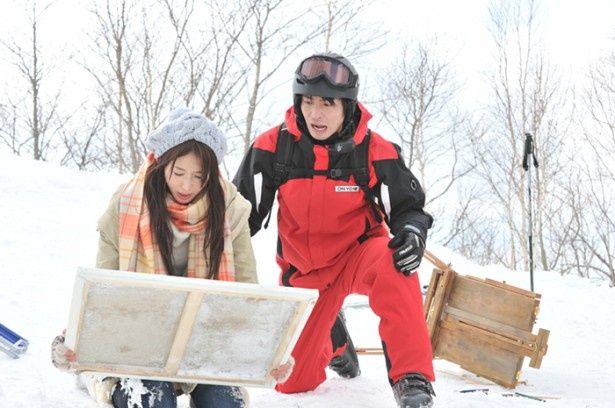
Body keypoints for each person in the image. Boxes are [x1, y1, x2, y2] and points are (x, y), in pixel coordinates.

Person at [51, 108, 293, 408]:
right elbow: (106, 294)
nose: (187, 186)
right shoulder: (124, 206)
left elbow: (246, 297)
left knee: (224, 403)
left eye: (199, 176)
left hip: (204, 344)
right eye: (178, 173)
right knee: (153, 400)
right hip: (138, 344)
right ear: (160, 163)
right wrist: (73, 339)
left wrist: (269, 352)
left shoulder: (232, 210)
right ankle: (101, 382)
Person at [233, 53, 436, 408]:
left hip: (359, 255)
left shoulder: (374, 150)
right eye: (308, 102)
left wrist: (413, 232)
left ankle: (412, 379)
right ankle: (336, 339)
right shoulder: (273, 147)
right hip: (305, 276)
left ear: (347, 106)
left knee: (397, 263)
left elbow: (408, 208)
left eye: (328, 103)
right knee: (293, 383)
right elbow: (241, 215)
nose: (316, 114)